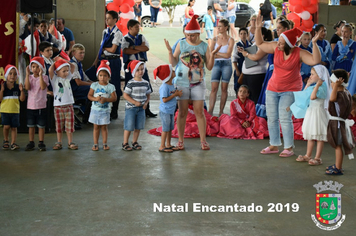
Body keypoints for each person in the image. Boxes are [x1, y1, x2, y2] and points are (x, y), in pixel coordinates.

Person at [254, 14, 321, 157]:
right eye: (279, 41)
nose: (278, 43)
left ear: (290, 44)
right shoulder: (275, 47)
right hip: (273, 88)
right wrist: (258, 28)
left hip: (290, 90)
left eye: (282, 42)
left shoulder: (299, 53)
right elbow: (259, 43)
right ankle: (273, 145)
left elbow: (315, 60)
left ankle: (289, 147)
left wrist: (314, 43)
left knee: (284, 117)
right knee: (271, 117)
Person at [164, 15, 220, 150]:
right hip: (182, 82)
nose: (190, 38)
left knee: (199, 112)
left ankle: (203, 141)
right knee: (182, 112)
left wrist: (211, 54)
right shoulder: (181, 43)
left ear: (198, 33)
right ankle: (181, 141)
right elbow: (174, 62)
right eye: (188, 35)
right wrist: (170, 52)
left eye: (193, 35)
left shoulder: (204, 46)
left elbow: (210, 67)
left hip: (198, 83)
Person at [291, 65, 330, 166]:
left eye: (313, 74)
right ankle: (308, 155)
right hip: (312, 112)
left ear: (320, 75)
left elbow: (312, 97)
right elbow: (304, 96)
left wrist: (317, 85)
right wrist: (308, 85)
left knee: (319, 135)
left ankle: (318, 157)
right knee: (311, 135)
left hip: (318, 113)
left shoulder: (323, 86)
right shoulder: (314, 86)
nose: (310, 76)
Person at [255, 20, 290, 118]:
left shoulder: (290, 44)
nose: (277, 30)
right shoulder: (274, 42)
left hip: (283, 74)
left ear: (285, 29)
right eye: (277, 28)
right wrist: (258, 28)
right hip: (271, 74)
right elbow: (260, 44)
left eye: (279, 28)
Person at [122, 19, 156, 117]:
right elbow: (126, 51)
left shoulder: (141, 37)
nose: (139, 29)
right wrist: (138, 48)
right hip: (131, 65)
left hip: (141, 64)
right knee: (131, 86)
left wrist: (133, 47)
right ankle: (132, 108)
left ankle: (147, 109)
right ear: (130, 28)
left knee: (145, 85)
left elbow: (146, 48)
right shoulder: (125, 38)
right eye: (136, 27)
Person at [93, 10, 123, 120]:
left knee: (114, 84)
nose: (107, 20)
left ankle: (114, 111)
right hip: (104, 59)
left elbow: (113, 49)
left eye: (109, 18)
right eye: (106, 18)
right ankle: (102, 107)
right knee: (102, 82)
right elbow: (101, 47)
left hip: (113, 60)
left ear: (115, 19)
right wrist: (96, 59)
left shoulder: (118, 33)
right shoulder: (105, 31)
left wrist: (104, 48)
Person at [326, 69, 355, 175]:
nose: (331, 84)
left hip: (337, 124)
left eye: (332, 82)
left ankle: (338, 167)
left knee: (338, 146)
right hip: (340, 123)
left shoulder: (340, 93)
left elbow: (332, 98)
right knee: (337, 145)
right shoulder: (347, 92)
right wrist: (336, 86)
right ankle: (337, 165)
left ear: (338, 82)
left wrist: (335, 86)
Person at [48, 59, 78, 150]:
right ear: (57, 72)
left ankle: (70, 142)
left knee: (69, 126)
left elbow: (73, 66)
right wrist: (56, 62)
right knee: (59, 126)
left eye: (67, 71)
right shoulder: (55, 79)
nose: (66, 73)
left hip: (69, 106)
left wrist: (64, 61)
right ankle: (59, 142)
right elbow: (50, 70)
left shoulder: (68, 78)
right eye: (63, 71)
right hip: (58, 106)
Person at [87, 60, 117, 151]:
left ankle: (105, 143)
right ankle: (95, 144)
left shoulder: (111, 86)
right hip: (95, 110)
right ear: (97, 76)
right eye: (100, 75)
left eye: (105, 76)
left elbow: (114, 98)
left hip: (105, 110)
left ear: (108, 76)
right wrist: (95, 99)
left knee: (104, 127)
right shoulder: (94, 85)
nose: (102, 78)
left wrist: (106, 100)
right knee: (96, 127)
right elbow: (89, 96)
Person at [122, 60, 152, 151]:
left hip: (141, 108)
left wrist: (146, 103)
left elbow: (148, 95)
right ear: (133, 71)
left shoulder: (146, 83)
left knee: (138, 126)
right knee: (129, 126)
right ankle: (125, 142)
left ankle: (134, 141)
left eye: (142, 69)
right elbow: (125, 95)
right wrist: (134, 102)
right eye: (138, 70)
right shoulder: (131, 83)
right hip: (131, 108)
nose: (140, 71)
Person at [237, 27, 272, 104]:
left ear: (262, 36)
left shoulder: (265, 45)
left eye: (256, 34)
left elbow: (256, 57)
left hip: (256, 75)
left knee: (254, 98)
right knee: (245, 97)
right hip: (247, 74)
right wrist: (243, 51)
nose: (254, 35)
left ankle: (254, 114)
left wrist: (245, 54)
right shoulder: (255, 43)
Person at [154, 64, 183, 153]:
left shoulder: (171, 85)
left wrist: (177, 93)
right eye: (172, 71)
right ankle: (162, 146)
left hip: (170, 110)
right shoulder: (164, 87)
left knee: (170, 128)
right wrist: (175, 95)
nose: (174, 72)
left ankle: (168, 144)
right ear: (168, 75)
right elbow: (164, 100)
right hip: (165, 111)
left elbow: (172, 94)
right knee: (165, 129)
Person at [208, 19, 234, 116]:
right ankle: (210, 111)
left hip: (226, 65)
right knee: (213, 88)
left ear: (226, 27)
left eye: (220, 26)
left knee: (224, 89)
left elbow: (228, 55)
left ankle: (221, 111)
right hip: (216, 64)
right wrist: (215, 54)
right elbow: (210, 53)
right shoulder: (215, 39)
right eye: (218, 26)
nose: (218, 28)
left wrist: (215, 53)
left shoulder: (231, 40)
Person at [24, 57, 50, 151]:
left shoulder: (45, 77)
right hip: (31, 106)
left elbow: (43, 87)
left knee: (41, 126)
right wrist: (27, 75)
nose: (35, 69)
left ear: (42, 68)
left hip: (41, 106)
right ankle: (31, 142)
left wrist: (40, 76)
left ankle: (41, 142)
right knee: (31, 126)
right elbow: (27, 87)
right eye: (33, 67)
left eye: (38, 67)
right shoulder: (29, 78)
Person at [0, 65, 25, 150]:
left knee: (14, 127)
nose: (12, 76)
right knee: (6, 126)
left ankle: (13, 142)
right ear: (6, 75)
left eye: (14, 74)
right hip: (5, 111)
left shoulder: (18, 87)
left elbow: (22, 99)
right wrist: (2, 91)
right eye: (10, 74)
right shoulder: (2, 86)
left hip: (15, 111)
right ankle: (6, 140)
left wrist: (22, 91)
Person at [70, 43, 94, 123]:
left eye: (83, 53)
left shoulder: (79, 63)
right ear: (74, 53)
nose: (82, 55)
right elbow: (78, 82)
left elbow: (85, 78)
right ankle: (86, 117)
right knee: (92, 91)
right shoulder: (73, 64)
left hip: (78, 87)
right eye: (80, 53)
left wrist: (96, 83)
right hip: (73, 88)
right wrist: (93, 85)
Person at [232, 27, 251, 96]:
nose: (243, 35)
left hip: (248, 68)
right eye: (241, 34)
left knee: (247, 87)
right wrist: (236, 70)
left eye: (245, 33)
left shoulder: (250, 44)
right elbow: (234, 58)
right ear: (239, 35)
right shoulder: (237, 45)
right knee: (238, 86)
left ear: (247, 35)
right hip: (240, 67)